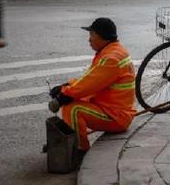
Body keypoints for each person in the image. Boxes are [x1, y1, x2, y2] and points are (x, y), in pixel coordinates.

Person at [50, 18, 136, 156]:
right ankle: (71, 142)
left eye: (92, 35)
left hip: (116, 116)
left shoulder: (111, 59)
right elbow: (90, 80)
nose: (89, 39)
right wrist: (65, 87)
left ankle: (80, 150)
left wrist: (63, 95)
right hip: (112, 109)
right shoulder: (112, 51)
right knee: (73, 102)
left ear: (102, 37)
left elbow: (87, 86)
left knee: (73, 109)